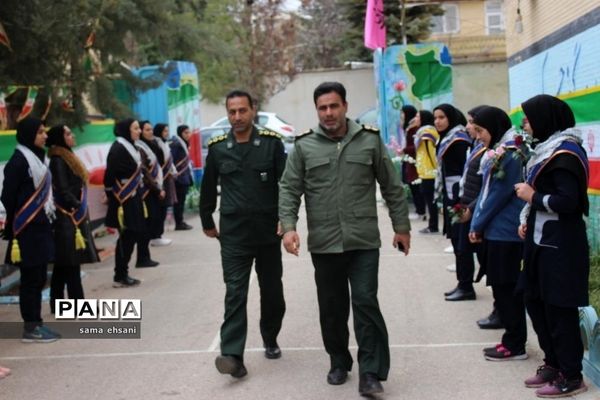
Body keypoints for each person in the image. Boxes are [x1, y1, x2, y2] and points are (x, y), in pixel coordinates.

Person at [279, 82, 411, 396]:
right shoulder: (304, 146)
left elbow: (391, 186)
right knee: (332, 306)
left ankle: (371, 372)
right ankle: (338, 361)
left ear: (345, 106)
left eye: (333, 106)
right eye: (322, 108)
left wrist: (401, 227)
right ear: (317, 110)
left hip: (364, 240)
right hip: (325, 243)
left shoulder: (369, 140)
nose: (328, 113)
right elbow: (288, 189)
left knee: (365, 302)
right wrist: (288, 227)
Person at [200, 89, 286, 379]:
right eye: (231, 112)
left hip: (267, 232)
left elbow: (285, 185)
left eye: (242, 111)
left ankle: (270, 336)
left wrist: (287, 221)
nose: (236, 117)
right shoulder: (218, 147)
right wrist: (207, 219)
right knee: (235, 292)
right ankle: (233, 355)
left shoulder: (271, 145)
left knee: (272, 290)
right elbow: (208, 186)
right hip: (234, 235)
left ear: (253, 111)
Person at [515, 95, 589, 397]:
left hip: (561, 248)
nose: (524, 124)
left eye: (529, 118)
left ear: (546, 119)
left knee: (560, 310)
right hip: (541, 244)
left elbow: (569, 203)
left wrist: (533, 198)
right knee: (535, 301)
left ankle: (572, 376)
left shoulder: (566, 155)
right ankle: (554, 363)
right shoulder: (546, 151)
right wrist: (528, 217)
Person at [468, 106, 527, 361]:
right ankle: (512, 340)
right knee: (501, 288)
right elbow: (486, 193)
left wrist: (477, 223)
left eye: (481, 130)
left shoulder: (511, 155)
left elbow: (497, 196)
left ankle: (515, 344)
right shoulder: (499, 152)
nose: (478, 136)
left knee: (507, 288)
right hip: (497, 231)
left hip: (506, 233)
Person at [1, 117, 60, 342]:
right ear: (28, 135)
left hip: (40, 227)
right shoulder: (18, 162)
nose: (45, 136)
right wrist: (19, 220)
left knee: (38, 278)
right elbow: (7, 195)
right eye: (40, 132)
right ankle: (30, 328)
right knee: (30, 279)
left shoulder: (37, 159)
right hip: (26, 229)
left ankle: (37, 323)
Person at [47, 125, 99, 312]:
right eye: (68, 133)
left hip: (71, 215)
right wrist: (77, 205)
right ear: (60, 138)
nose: (72, 135)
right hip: (66, 216)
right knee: (70, 263)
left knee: (63, 264)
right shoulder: (58, 160)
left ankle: (57, 303)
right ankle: (78, 305)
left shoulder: (67, 156)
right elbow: (62, 189)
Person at [444, 106, 487, 302]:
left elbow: (488, 186)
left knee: (469, 249)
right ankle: (464, 284)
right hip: (465, 200)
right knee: (460, 246)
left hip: (473, 205)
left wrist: (469, 207)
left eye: (472, 122)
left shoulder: (489, 149)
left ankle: (467, 286)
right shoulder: (476, 145)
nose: (468, 126)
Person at [104, 119, 145, 287]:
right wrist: (111, 198)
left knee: (133, 234)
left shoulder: (131, 147)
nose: (139, 131)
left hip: (133, 197)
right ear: (126, 130)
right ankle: (120, 275)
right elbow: (109, 176)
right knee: (127, 235)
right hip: (123, 200)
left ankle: (123, 272)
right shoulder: (118, 148)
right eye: (135, 128)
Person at [134, 120, 163, 268]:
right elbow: (144, 171)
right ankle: (142, 257)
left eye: (150, 129)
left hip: (151, 189)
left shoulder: (149, 145)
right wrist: (157, 188)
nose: (149, 132)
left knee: (151, 221)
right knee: (145, 225)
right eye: (146, 129)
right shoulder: (138, 148)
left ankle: (144, 257)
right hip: (145, 191)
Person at [413, 110, 439, 233]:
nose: (415, 119)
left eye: (418, 116)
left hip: (430, 173)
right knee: (429, 200)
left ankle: (433, 225)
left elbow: (432, 154)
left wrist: (436, 169)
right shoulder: (423, 133)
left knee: (431, 201)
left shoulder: (427, 134)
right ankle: (432, 224)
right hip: (426, 172)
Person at [151, 123, 176, 246]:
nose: (167, 133)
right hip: (160, 180)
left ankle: (159, 234)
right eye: (164, 131)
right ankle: (156, 235)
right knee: (160, 208)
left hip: (166, 179)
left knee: (164, 207)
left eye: (167, 130)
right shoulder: (155, 144)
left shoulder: (164, 143)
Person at [400, 105, 425, 219]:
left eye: (418, 116)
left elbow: (415, 146)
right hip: (409, 159)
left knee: (415, 185)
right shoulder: (410, 127)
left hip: (414, 161)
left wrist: (404, 150)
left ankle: (421, 210)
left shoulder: (415, 129)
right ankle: (419, 210)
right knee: (411, 184)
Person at [170, 125, 194, 230]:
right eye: (186, 133)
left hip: (184, 177)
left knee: (181, 201)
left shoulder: (183, 144)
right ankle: (179, 223)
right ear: (180, 133)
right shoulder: (176, 144)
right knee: (179, 202)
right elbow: (171, 160)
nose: (188, 135)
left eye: (189, 132)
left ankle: (180, 221)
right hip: (179, 178)